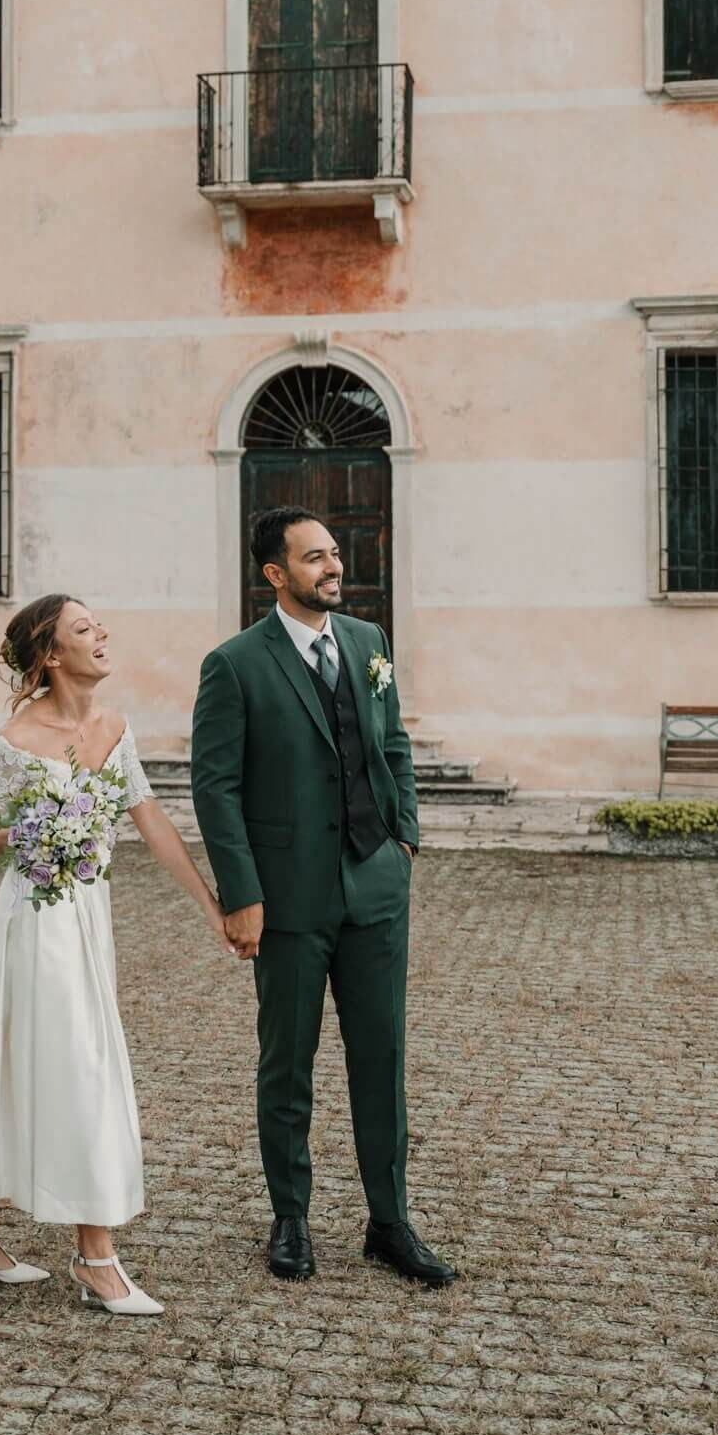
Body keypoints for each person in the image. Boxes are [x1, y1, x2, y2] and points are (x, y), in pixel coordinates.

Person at [0, 592, 236, 1314]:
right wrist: (32, 833)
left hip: (88, 916)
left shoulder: (115, 728)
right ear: (51, 654)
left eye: (99, 624)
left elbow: (151, 822)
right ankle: (96, 1257)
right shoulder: (13, 740)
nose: (102, 634)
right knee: (79, 1065)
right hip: (34, 921)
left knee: (26, 1061)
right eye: (84, 628)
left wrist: (211, 907)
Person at [191, 506, 455, 1288]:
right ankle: (291, 1218)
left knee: (383, 1056)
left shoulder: (370, 644)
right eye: (314, 557)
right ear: (275, 574)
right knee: (287, 1064)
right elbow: (215, 788)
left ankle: (389, 1222)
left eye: (334, 553)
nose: (333, 567)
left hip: (376, 885)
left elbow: (394, 746)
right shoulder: (234, 664)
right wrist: (242, 894)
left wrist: (404, 841)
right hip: (288, 900)